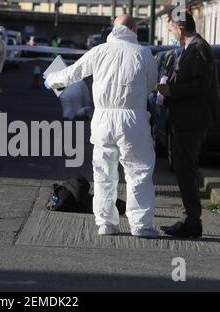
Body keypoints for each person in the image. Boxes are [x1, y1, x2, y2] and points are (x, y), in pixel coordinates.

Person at [45, 15, 159, 238]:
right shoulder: (143, 54)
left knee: (103, 172)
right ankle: (141, 225)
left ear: (114, 29)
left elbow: (73, 73)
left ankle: (106, 223)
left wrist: (52, 81)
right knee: (138, 171)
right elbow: (152, 84)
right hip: (132, 119)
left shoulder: (99, 51)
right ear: (134, 29)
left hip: (103, 119)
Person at [157, 12, 220, 238]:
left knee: (186, 170)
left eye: (171, 29)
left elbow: (202, 85)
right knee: (184, 169)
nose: (170, 33)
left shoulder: (199, 49)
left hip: (191, 121)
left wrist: (171, 91)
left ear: (181, 28)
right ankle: (189, 218)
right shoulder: (188, 49)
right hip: (183, 119)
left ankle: (192, 221)